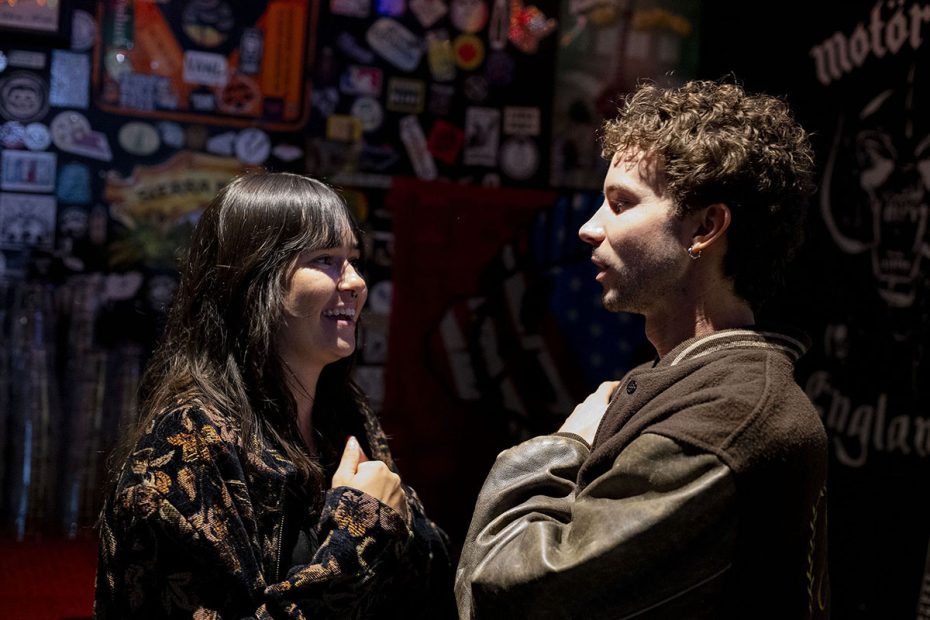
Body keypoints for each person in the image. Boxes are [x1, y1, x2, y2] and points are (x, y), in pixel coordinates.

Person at [455, 80, 830, 619]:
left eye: (621, 203)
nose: (589, 228)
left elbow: (509, 595)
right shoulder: (703, 390)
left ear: (705, 226)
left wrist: (563, 448)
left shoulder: (726, 418)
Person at [95, 172, 452, 618]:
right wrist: (361, 526)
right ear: (254, 280)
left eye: (354, 259)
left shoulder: (343, 416)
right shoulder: (188, 444)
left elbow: (433, 577)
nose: (356, 282)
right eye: (326, 259)